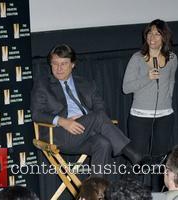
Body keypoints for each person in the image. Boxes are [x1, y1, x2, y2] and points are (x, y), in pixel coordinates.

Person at [31, 44, 146, 177]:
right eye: (55, 64)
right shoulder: (43, 85)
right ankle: (134, 155)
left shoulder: (86, 83)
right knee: (97, 117)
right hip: (59, 134)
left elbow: (101, 108)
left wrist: (86, 120)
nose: (59, 68)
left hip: (85, 132)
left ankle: (96, 191)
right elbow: (36, 113)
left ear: (73, 64)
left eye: (64, 63)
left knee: (104, 144)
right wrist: (63, 121)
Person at [123, 19, 178, 191]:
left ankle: (157, 193)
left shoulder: (172, 58)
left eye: (157, 33)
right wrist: (147, 77)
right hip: (140, 116)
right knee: (138, 160)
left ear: (164, 37)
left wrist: (167, 103)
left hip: (165, 116)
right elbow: (126, 88)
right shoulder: (137, 58)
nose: (152, 37)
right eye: (149, 33)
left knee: (160, 160)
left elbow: (171, 83)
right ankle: (131, 193)